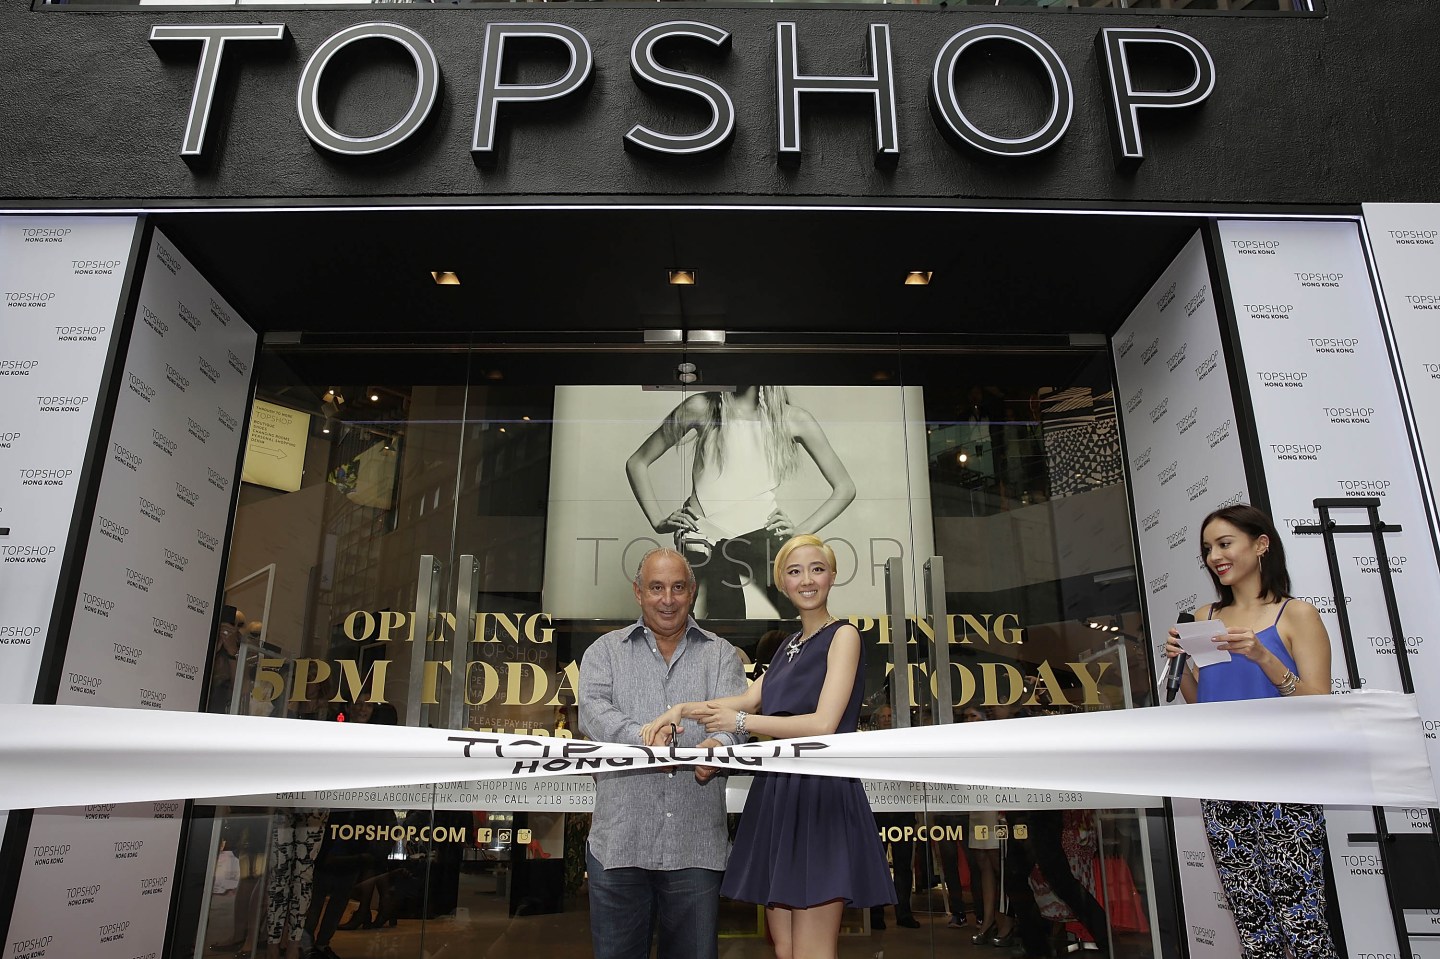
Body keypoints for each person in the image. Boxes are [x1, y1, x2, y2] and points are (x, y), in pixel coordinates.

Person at [643, 534, 895, 959]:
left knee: (813, 950)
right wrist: (680, 709)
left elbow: (823, 723)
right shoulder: (790, 646)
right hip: (779, 793)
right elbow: (745, 698)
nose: (807, 580)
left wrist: (740, 723)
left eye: (817, 569)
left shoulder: (844, 636)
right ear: (782, 582)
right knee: (786, 947)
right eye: (795, 572)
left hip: (820, 793)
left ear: (832, 576)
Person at [1164, 503, 1338, 959]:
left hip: (1286, 780)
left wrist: (1263, 656)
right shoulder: (1203, 616)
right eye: (1207, 549)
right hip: (1222, 780)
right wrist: (1178, 663)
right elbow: (1204, 703)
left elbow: (1319, 703)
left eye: (1224, 544)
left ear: (1261, 545)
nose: (1214, 557)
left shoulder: (1297, 614)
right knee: (1252, 921)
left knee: (1300, 918)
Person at [577, 547, 748, 959]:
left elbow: (737, 722)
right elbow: (594, 717)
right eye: (656, 588)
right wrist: (645, 736)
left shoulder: (722, 655)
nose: (667, 599)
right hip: (619, 845)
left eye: (677, 588)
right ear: (638, 592)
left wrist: (718, 750)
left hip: (695, 847)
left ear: (692, 592)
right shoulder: (604, 652)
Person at [626, 386, 855, 619]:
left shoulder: (793, 419)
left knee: (770, 637)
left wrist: (799, 532)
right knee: (696, 634)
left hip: (761, 542)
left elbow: (845, 488)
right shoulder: (702, 407)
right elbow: (637, 462)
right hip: (701, 540)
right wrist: (658, 522)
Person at [867, 704, 920, 931]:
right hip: (877, 814)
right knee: (876, 866)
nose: (887, 719)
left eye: (890, 715)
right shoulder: (870, 746)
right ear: (877, 721)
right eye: (884, 716)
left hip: (902, 814)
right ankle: (876, 914)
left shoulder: (904, 743)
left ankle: (904, 912)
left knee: (903, 866)